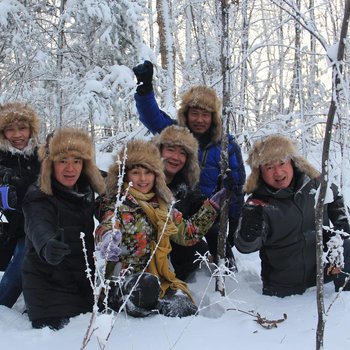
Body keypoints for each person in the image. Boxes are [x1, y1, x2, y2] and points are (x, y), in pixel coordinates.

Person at [132, 60, 246, 266]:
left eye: (205, 115)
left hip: (208, 209)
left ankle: (222, 265)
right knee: (183, 251)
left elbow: (236, 187)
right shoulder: (176, 133)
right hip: (179, 201)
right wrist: (145, 89)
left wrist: (235, 222)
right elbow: (152, 117)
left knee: (223, 260)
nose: (199, 120)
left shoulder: (226, 147)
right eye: (195, 113)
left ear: (214, 118)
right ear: (186, 115)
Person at [95, 139, 223, 318]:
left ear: (156, 175)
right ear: (125, 176)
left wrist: (211, 208)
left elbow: (188, 234)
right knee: (145, 288)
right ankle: (130, 301)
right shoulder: (116, 203)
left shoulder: (162, 205)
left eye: (148, 172)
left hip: (159, 278)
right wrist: (108, 237)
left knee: (184, 307)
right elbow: (107, 223)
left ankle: (159, 301)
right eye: (136, 172)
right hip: (125, 280)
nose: (142, 179)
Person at [234, 134, 350, 297]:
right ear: (260, 172)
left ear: (293, 162)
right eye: (269, 167)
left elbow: (337, 199)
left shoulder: (314, 184)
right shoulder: (259, 203)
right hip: (285, 289)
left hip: (324, 279)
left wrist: (341, 227)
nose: (278, 172)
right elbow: (245, 246)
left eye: (282, 163)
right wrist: (249, 231)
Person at [22, 128, 106, 330]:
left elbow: (124, 180)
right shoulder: (39, 195)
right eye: (63, 161)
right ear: (50, 164)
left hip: (82, 284)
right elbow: (38, 224)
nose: (71, 168)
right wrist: (47, 245)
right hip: (48, 291)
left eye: (77, 161)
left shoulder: (85, 185)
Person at [153, 125, 210, 281]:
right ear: (159, 150)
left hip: (178, 268)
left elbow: (200, 209)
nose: (176, 157)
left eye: (182, 153)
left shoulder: (186, 186)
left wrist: (217, 202)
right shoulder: (143, 181)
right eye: (170, 149)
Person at [0, 102, 41, 308]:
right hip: (7, 227)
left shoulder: (43, 155)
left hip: (36, 224)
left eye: (22, 128)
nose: (17, 135)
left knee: (27, 252)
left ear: (31, 130)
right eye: (10, 129)